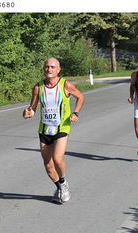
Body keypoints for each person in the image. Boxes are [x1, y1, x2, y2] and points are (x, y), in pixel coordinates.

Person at [23, 58, 84, 204]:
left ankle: (63, 183)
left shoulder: (65, 85)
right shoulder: (38, 87)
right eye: (46, 67)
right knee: (48, 165)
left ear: (58, 69)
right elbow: (32, 108)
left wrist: (75, 113)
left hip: (62, 127)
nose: (49, 69)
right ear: (43, 69)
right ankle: (60, 186)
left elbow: (80, 97)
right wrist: (27, 113)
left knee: (57, 159)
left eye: (52, 67)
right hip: (44, 129)